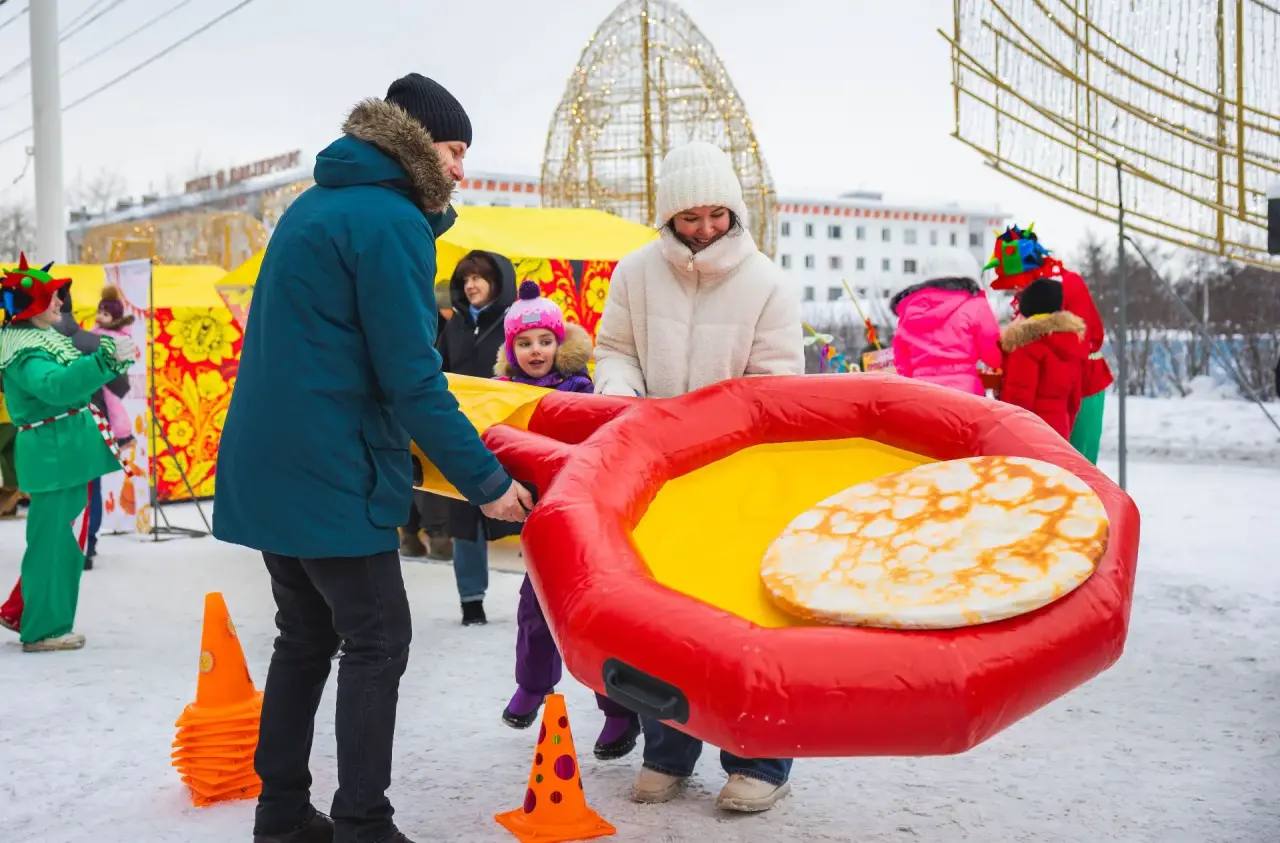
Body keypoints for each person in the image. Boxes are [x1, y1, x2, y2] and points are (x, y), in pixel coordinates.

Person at [213, 74, 532, 843]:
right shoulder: (388, 221)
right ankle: (363, 821)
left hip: (273, 465)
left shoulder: (316, 205)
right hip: (333, 471)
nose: (461, 168)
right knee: (379, 637)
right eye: (454, 150)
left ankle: (282, 813)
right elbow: (412, 377)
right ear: (416, 142)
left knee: (306, 636)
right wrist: (487, 482)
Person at [594, 141, 803, 813]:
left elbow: (777, 386)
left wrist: (717, 436)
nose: (705, 227)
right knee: (660, 617)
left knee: (747, 616)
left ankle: (759, 755)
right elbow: (615, 351)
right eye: (691, 216)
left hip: (737, 474)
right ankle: (668, 747)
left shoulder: (767, 283)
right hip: (652, 473)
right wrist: (627, 405)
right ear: (669, 216)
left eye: (717, 214)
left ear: (734, 211)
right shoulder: (633, 273)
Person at [495, 280, 642, 759]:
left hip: (586, 522)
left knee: (594, 621)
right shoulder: (502, 396)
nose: (535, 350)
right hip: (539, 520)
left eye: (544, 340)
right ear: (511, 349)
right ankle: (532, 684)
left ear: (560, 344)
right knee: (534, 611)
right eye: (524, 342)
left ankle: (618, 712)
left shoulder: (583, 391)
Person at [0, 256, 134, 650]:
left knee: (63, 541)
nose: (61, 302)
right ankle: (43, 628)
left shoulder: (41, 339)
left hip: (66, 453)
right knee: (55, 543)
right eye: (53, 296)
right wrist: (105, 360)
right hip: (54, 455)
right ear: (31, 305)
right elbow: (57, 388)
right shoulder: (25, 350)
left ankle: (27, 612)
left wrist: (104, 359)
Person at [436, 249, 518, 625]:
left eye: (479, 277)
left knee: (523, 511)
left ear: (496, 282)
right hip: (462, 431)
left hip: (509, 431)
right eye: (465, 278)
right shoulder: (453, 326)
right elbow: (439, 371)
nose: (470, 285)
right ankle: (471, 601)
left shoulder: (512, 322)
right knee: (465, 517)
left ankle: (536, 598)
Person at [889, 247, 1002, 395]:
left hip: (920, 393)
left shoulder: (911, 310)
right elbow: (993, 354)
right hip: (965, 395)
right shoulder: (976, 305)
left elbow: (902, 361)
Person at [84, 286, 136, 566]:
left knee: (90, 485)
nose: (100, 316)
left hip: (96, 421)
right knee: (92, 485)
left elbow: (115, 396)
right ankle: (88, 542)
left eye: (106, 312)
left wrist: (122, 431)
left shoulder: (105, 343)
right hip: (95, 420)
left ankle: (88, 541)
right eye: (99, 311)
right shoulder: (95, 338)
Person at [998, 278, 1088, 438]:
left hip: (1028, 435)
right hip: (1059, 429)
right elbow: (1074, 401)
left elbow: (1018, 399)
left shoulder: (1027, 343)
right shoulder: (1072, 342)